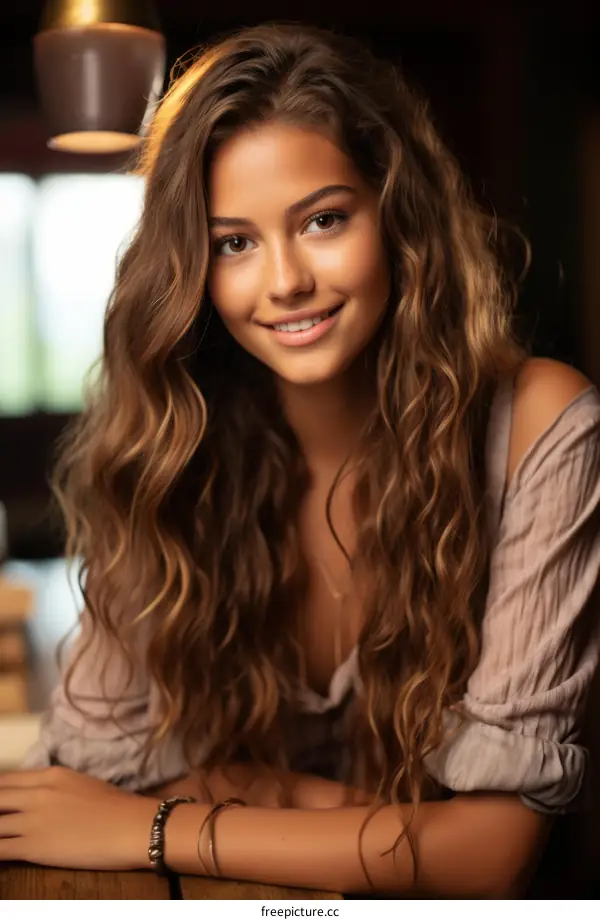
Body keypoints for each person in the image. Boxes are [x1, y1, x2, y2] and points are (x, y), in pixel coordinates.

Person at [1, 21, 599, 898]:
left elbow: (492, 856)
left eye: (322, 220)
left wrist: (163, 823)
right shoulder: (176, 444)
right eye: (234, 241)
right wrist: (373, 821)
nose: (283, 282)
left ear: (397, 213)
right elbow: (92, 769)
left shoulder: (540, 425)